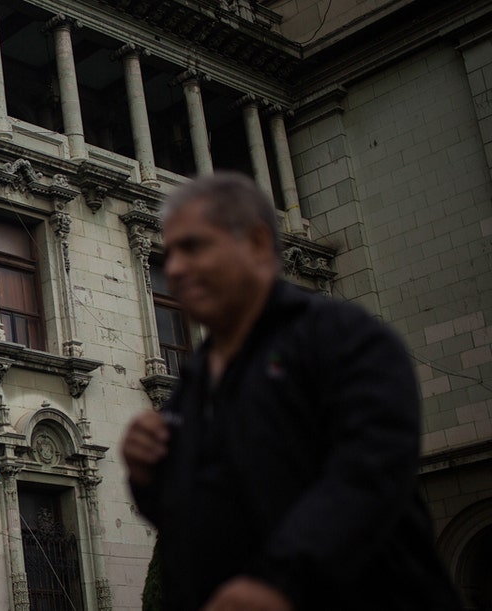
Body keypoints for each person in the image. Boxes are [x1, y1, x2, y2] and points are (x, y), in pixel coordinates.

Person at [121, 172, 460, 611]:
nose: (177, 268)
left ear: (258, 244)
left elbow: (369, 473)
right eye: (170, 254)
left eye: (195, 247)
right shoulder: (195, 381)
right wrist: (145, 474)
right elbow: (187, 516)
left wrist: (279, 581)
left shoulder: (343, 337)